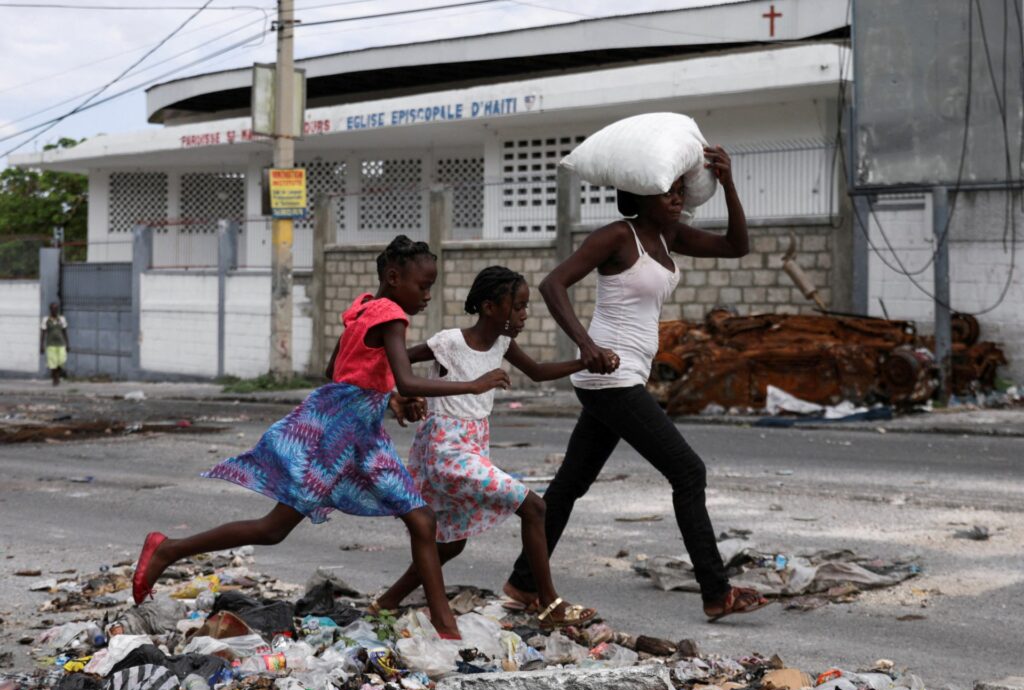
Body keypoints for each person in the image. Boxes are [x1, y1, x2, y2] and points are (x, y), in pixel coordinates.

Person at [131, 236, 510, 640]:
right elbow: (405, 376)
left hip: (351, 432)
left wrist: (389, 401)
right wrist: (471, 385)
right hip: (339, 438)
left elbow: (339, 370)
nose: (427, 295)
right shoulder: (390, 314)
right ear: (394, 277)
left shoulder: (363, 308)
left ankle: (444, 626)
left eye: (430, 286)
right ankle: (167, 549)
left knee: (414, 519)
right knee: (289, 528)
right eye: (422, 285)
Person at [503, 146, 769, 622]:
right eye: (664, 190)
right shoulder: (616, 236)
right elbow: (552, 284)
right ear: (639, 196)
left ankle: (523, 584)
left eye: (679, 189)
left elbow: (737, 246)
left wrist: (728, 183)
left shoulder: (670, 237)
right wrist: (584, 344)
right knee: (689, 472)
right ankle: (716, 592)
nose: (675, 196)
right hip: (610, 376)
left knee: (569, 485)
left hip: (620, 377)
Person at [370, 266, 606, 630]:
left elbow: (539, 371)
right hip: (444, 450)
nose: (524, 315)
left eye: (525, 307)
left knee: (450, 544)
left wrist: (585, 361)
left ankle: (386, 601)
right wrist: (400, 394)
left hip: (473, 447)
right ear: (490, 307)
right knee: (534, 506)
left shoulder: (502, 344)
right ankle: (549, 603)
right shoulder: (448, 342)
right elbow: (393, 360)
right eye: (518, 307)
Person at [40, 302, 69, 386]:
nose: (55, 310)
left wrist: (67, 344)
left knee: (61, 361)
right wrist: (41, 346)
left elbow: (65, 332)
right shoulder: (46, 320)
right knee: (53, 363)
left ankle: (57, 375)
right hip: (51, 344)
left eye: (56, 308)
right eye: (53, 308)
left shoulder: (61, 319)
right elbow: (43, 333)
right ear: (50, 310)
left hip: (61, 344)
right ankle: (55, 379)